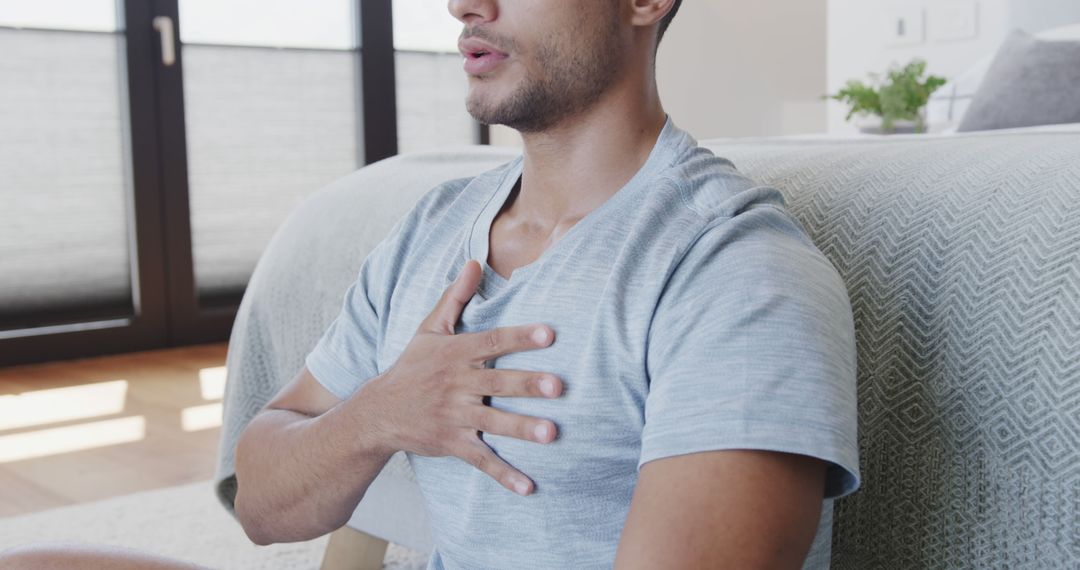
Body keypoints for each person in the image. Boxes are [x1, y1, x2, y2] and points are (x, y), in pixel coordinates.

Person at [0, 0, 860, 568]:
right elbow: (263, 502)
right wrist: (381, 413)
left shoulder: (737, 276)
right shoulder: (431, 228)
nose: (461, 4)